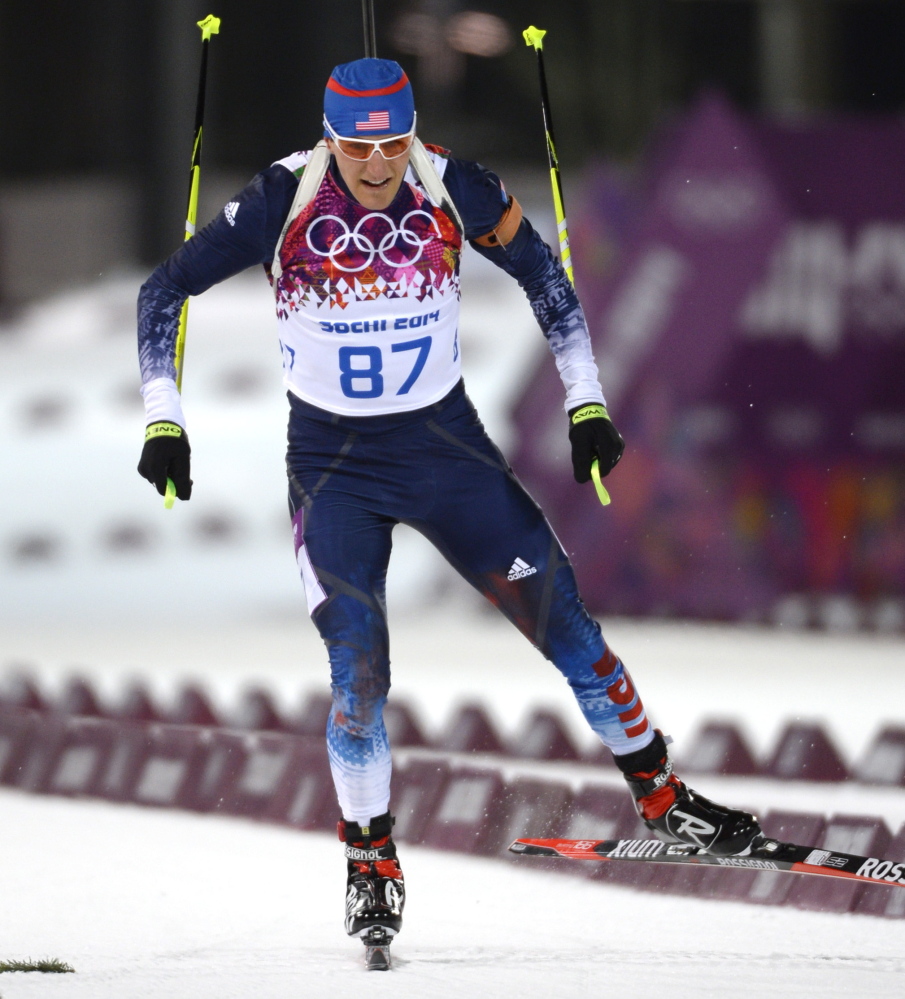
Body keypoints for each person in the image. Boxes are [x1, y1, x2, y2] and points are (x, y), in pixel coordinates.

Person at [136, 58, 762, 949]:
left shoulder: (450, 183)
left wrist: (586, 402)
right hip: (335, 467)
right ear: (330, 138)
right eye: (360, 147)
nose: (380, 164)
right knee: (357, 673)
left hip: (445, 452)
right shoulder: (282, 197)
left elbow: (549, 283)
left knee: (570, 628)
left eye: (394, 141)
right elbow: (162, 292)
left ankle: (664, 798)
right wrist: (164, 420)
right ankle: (369, 861)